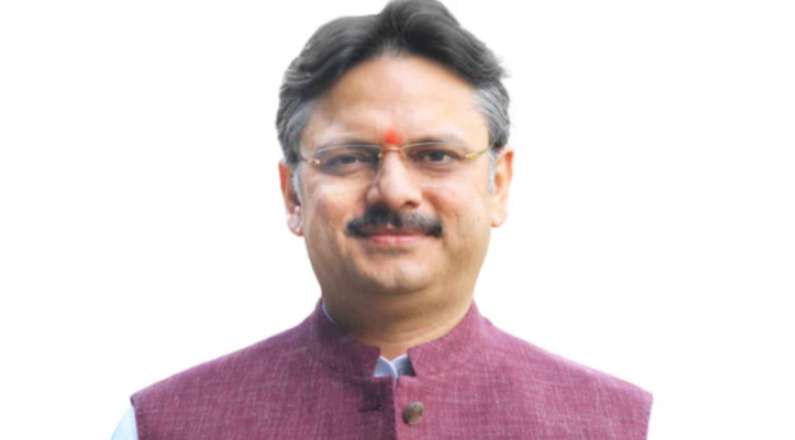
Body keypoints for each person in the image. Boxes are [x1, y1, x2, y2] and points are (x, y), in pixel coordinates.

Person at [113, 0, 652, 438]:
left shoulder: (624, 427)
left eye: (435, 155)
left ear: (498, 184)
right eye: (349, 158)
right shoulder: (163, 426)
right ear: (292, 194)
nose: (394, 191)